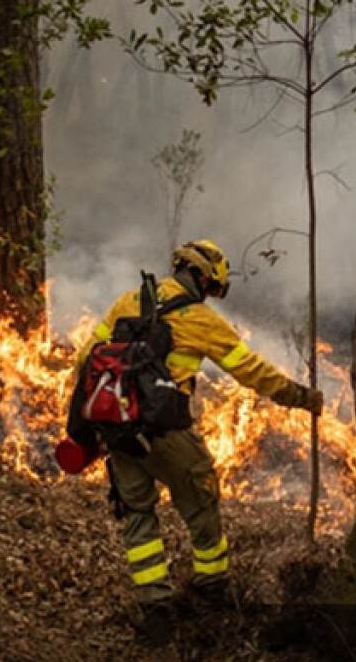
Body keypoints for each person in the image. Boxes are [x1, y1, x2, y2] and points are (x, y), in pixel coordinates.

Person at [72, 239, 323, 635]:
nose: (210, 294)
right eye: (212, 287)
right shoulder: (201, 320)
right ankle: (211, 588)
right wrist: (299, 397)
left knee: (138, 515)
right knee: (202, 502)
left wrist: (101, 421)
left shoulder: (127, 301)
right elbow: (251, 370)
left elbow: (85, 358)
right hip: (167, 433)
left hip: (119, 430)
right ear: (203, 278)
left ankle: (154, 608)